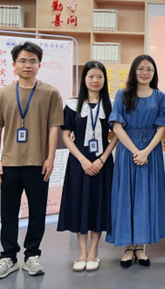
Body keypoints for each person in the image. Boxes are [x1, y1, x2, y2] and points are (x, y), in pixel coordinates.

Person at [0, 41, 63, 279]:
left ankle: (32, 256)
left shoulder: (50, 93)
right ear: (14, 65)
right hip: (9, 163)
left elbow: (54, 127)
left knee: (37, 213)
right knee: (8, 213)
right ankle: (8, 257)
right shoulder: (4, 93)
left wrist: (50, 158)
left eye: (33, 61)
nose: (28, 65)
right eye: (23, 61)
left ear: (39, 65)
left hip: (38, 163)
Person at [107, 55, 165, 267]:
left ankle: (141, 247)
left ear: (154, 73)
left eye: (149, 69)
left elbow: (162, 127)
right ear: (134, 71)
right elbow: (117, 126)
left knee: (145, 198)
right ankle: (128, 247)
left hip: (151, 152)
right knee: (127, 197)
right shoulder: (122, 94)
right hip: (128, 152)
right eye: (141, 68)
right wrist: (136, 151)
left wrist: (146, 152)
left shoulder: (160, 96)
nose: (145, 73)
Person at [57, 61, 118, 272]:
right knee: (80, 203)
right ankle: (81, 253)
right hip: (78, 162)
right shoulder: (72, 105)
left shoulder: (111, 105)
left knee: (98, 203)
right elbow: (65, 135)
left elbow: (117, 134)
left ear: (104, 79)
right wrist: (83, 160)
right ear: (84, 79)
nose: (95, 80)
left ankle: (94, 252)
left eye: (99, 77)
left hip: (103, 163)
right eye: (91, 76)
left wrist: (103, 159)